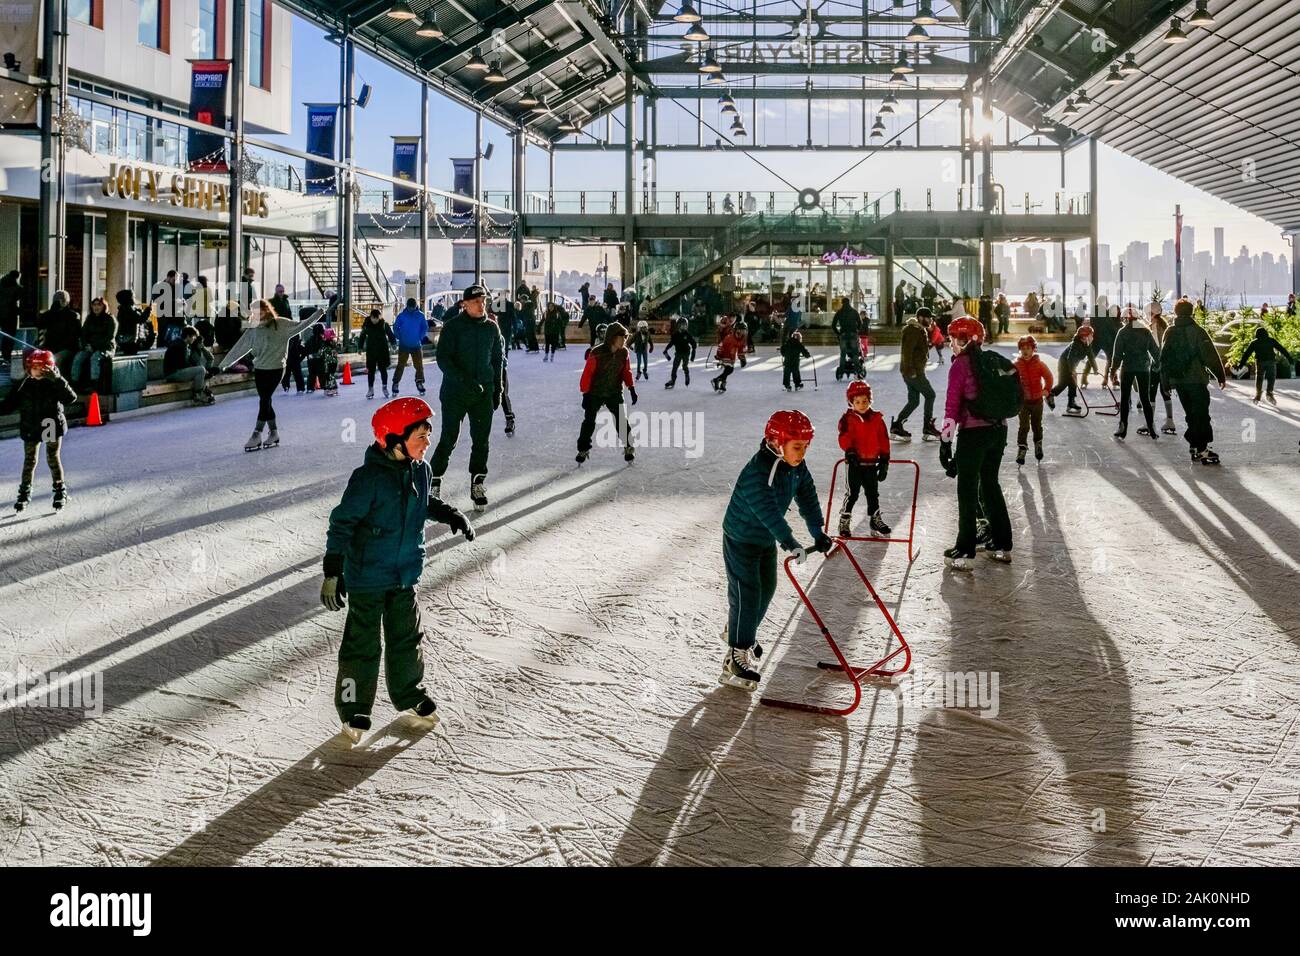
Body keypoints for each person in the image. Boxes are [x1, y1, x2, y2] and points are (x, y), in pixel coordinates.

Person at [320, 397, 476, 743]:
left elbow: (424, 502)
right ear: (394, 439)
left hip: (405, 573)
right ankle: (353, 708)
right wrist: (333, 570)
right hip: (368, 577)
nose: (427, 442)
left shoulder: (421, 468)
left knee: (406, 638)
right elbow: (341, 523)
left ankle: (409, 694)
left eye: (428, 435)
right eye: (420, 436)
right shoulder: (368, 479)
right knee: (362, 644)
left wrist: (450, 513)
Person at [718, 410, 831, 691]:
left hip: (763, 540)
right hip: (741, 538)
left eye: (806, 447)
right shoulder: (759, 471)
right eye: (797, 447)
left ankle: (739, 631)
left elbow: (807, 497)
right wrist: (790, 542)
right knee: (748, 591)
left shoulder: (795, 467)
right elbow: (768, 513)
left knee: (766, 589)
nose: (802, 453)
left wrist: (817, 531)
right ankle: (736, 653)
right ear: (777, 442)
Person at [940, 317, 1013, 569]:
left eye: (952, 339)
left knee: (968, 489)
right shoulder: (990, 361)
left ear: (963, 339)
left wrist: (945, 442)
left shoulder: (960, 365)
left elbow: (952, 406)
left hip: (973, 433)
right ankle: (1003, 544)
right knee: (990, 484)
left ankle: (964, 548)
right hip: (999, 430)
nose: (950, 345)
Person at [429, 284, 503, 512]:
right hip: (455, 393)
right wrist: (465, 381)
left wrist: (497, 389)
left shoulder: (492, 328)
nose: (482, 305)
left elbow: (498, 360)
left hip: (483, 393)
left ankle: (477, 483)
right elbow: (443, 360)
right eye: (477, 301)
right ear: (465, 304)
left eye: (484, 301)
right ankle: (434, 481)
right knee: (449, 438)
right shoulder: (453, 328)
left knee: (481, 440)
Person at [220, 300, 324, 451]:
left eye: (260, 311)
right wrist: (222, 366)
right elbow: (239, 348)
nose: (257, 314)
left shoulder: (280, 324)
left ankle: (256, 434)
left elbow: (300, 325)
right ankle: (274, 433)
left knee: (264, 399)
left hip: (276, 368)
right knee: (265, 400)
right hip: (260, 368)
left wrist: (317, 314)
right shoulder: (253, 329)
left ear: (267, 310)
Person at [1, 349, 77, 512]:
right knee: (30, 460)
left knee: (52, 458)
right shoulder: (25, 383)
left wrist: (57, 380)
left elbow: (71, 398)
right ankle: (24, 493)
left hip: (49, 424)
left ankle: (59, 490)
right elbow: (9, 403)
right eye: (34, 368)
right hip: (31, 425)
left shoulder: (54, 383)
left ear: (48, 368)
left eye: (41, 369)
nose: (37, 372)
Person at [1160, 297, 1227, 464]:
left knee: (1190, 414)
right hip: (1196, 379)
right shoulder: (1197, 331)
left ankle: (1194, 445)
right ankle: (1202, 449)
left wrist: (1165, 382)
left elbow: (1164, 359)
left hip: (1178, 381)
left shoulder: (1169, 331)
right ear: (1191, 312)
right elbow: (1209, 355)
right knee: (1201, 414)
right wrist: (1220, 375)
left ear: (1176, 312)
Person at [575, 320, 637, 464]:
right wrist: (585, 394)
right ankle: (583, 449)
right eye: (622, 337)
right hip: (595, 392)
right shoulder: (596, 353)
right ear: (612, 337)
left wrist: (631, 388)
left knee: (621, 420)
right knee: (589, 421)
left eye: (625, 337)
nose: (624, 340)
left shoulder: (624, 353)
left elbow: (626, 372)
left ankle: (628, 447)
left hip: (614, 391)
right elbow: (587, 374)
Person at [836, 381, 892, 538]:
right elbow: (844, 437)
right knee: (852, 493)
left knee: (873, 493)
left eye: (865, 401)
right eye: (857, 402)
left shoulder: (876, 419)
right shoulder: (848, 419)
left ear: (870, 400)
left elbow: (883, 439)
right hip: (855, 464)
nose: (861, 405)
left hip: (871, 463)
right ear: (851, 402)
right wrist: (850, 451)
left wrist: (885, 460)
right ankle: (845, 519)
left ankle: (875, 519)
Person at [1109, 307, 1160, 440]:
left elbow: (1117, 355)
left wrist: (1113, 371)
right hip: (1144, 368)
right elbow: (1155, 351)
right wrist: (1158, 366)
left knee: (1125, 399)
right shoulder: (1145, 331)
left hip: (1128, 368)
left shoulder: (1123, 332)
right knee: (1145, 399)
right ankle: (1151, 428)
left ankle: (1123, 428)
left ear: (1125, 319)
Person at [893, 307, 941, 442]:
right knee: (930, 395)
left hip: (912, 371)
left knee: (914, 401)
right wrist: (910, 371)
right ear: (920, 318)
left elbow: (918, 350)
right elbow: (907, 352)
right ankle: (928, 427)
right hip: (913, 372)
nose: (931, 320)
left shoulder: (918, 330)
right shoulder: (913, 331)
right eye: (928, 318)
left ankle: (897, 425)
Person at [1013, 335, 1053, 464]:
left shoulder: (1039, 364)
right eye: (1023, 348)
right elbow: (1010, 380)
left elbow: (1049, 377)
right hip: (1023, 402)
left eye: (1028, 348)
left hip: (1037, 401)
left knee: (1037, 425)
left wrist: (1046, 390)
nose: (1025, 351)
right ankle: (1022, 448)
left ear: (1033, 349)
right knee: (1023, 426)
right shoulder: (1016, 365)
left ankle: (1038, 444)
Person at [1238, 325, 1294, 406]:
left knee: (1259, 377)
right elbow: (1281, 349)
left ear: (1256, 334)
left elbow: (1247, 354)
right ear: (1266, 333)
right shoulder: (1271, 340)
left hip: (1260, 362)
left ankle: (1258, 394)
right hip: (1271, 361)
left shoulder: (1254, 342)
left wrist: (1241, 364)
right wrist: (1289, 358)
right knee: (1271, 377)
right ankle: (1269, 392)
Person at [163, 325, 216, 406]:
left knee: (203, 372)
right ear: (188, 336)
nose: (194, 339)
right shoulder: (180, 345)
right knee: (201, 370)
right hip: (173, 373)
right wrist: (197, 369)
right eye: (193, 337)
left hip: (175, 371)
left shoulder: (181, 344)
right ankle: (198, 395)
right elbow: (183, 364)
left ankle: (202, 391)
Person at [70, 297, 116, 391]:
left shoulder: (110, 319)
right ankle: (74, 383)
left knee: (95, 357)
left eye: (99, 304)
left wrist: (94, 346)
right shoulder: (89, 318)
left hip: (105, 348)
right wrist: (85, 345)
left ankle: (95, 384)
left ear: (104, 306)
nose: (96, 307)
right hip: (89, 347)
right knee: (78, 357)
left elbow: (109, 337)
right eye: (94, 305)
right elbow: (83, 334)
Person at [1048, 325, 1095, 415]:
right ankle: (1050, 395)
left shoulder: (1087, 344)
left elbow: (1091, 357)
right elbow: (1070, 359)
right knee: (1064, 383)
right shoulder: (1076, 345)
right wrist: (1072, 371)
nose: (1092, 336)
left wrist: (1095, 369)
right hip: (1065, 364)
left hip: (1072, 365)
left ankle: (1071, 403)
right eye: (1091, 335)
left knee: (1073, 383)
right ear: (1084, 337)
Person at [36, 291, 82, 379]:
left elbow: (73, 337)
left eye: (60, 300)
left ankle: (55, 381)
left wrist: (56, 348)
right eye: (56, 301)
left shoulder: (72, 316)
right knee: (31, 354)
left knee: (55, 358)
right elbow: (40, 326)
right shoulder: (48, 315)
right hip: (50, 346)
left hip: (67, 348)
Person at [392, 297, 429, 397]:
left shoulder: (420, 316)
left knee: (419, 366)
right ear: (407, 306)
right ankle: (395, 383)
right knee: (401, 365)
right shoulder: (402, 316)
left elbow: (425, 327)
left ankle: (419, 381)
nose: (411, 309)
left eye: (413, 307)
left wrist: (420, 337)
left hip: (416, 345)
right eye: (410, 308)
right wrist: (399, 336)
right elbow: (395, 327)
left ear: (415, 306)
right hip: (404, 345)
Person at [358, 308, 397, 399]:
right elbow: (362, 336)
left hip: (382, 351)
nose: (374, 320)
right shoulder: (366, 325)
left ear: (379, 317)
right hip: (371, 351)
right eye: (373, 318)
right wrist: (359, 347)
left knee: (383, 370)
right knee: (371, 371)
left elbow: (390, 334)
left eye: (376, 318)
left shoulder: (384, 324)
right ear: (370, 317)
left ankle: (384, 387)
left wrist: (393, 344)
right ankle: (370, 389)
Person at [831, 297, 863, 381]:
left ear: (842, 303)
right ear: (849, 303)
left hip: (843, 334)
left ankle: (841, 372)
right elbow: (860, 323)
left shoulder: (839, 312)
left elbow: (833, 325)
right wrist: (857, 331)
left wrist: (838, 334)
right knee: (855, 353)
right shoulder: (854, 311)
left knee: (843, 354)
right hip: (853, 334)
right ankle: (858, 371)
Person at [711, 321, 748, 392]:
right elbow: (721, 346)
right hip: (725, 354)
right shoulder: (729, 338)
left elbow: (740, 349)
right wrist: (719, 355)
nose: (743, 332)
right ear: (737, 330)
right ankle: (716, 380)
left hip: (732, 356)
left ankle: (721, 384)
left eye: (745, 330)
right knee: (730, 369)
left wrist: (742, 358)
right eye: (742, 330)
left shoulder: (742, 338)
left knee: (727, 370)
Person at [663, 316, 697, 389]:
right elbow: (671, 343)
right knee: (674, 367)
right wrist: (666, 349)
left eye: (684, 325)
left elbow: (693, 344)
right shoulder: (675, 335)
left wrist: (693, 354)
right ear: (678, 326)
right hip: (678, 353)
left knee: (684, 366)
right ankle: (672, 380)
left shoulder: (687, 334)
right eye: (681, 325)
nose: (683, 327)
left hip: (686, 353)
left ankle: (687, 375)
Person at [0, 270, 21, 363]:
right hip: (10, 315)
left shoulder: (2, 284)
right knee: (10, 336)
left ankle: (5, 354)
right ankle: (6, 355)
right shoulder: (15, 288)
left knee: (5, 336)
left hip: (2, 314)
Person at [317, 327, 341, 396]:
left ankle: (333, 388)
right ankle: (329, 388)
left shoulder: (325, 344)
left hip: (328, 362)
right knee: (330, 375)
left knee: (329, 375)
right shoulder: (334, 343)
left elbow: (320, 353)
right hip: (334, 362)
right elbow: (338, 349)